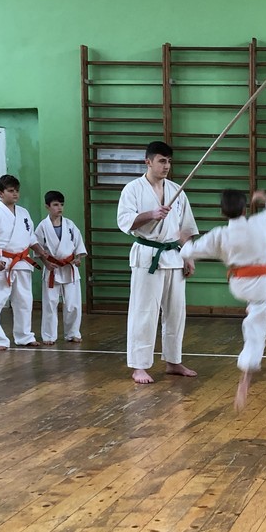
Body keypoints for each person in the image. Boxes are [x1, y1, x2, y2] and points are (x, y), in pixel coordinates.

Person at [180, 188, 266, 409]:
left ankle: (252, 307)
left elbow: (190, 251)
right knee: (257, 325)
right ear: (245, 209)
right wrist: (264, 197)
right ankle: (245, 376)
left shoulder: (220, 234)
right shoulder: (261, 223)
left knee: (255, 309)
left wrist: (183, 241)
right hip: (261, 284)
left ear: (222, 212)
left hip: (238, 284)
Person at [117, 140, 198, 384]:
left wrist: (188, 255)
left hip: (173, 256)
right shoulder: (133, 189)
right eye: (162, 161)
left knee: (176, 313)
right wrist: (151, 214)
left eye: (169, 161)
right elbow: (125, 221)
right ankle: (139, 366)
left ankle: (173, 361)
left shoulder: (176, 190)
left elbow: (185, 229)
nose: (166, 166)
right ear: (148, 161)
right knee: (144, 312)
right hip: (147, 255)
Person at [0, 174, 46, 351]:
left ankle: (24, 336)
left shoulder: (23, 213)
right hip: (2, 261)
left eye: (17, 191)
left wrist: (39, 250)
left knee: (24, 301)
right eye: (11, 191)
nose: (15, 194)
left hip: (22, 262)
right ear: (0, 193)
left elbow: (31, 237)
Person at [35, 190, 88, 344]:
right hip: (52, 269)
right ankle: (49, 335)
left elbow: (78, 245)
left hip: (69, 268)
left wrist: (78, 258)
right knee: (50, 304)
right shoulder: (42, 227)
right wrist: (46, 263)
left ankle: (73, 333)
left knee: (73, 304)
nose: (60, 208)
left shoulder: (70, 225)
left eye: (61, 205)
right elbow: (38, 249)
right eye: (56, 205)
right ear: (47, 206)